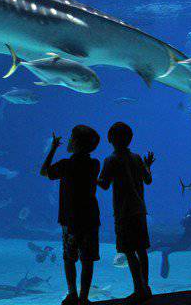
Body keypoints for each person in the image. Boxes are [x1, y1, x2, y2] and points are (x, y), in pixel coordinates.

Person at [40, 125, 101, 305]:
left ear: (75, 143)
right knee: (87, 259)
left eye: (71, 138)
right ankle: (84, 298)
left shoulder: (66, 165)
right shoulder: (94, 164)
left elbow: (44, 172)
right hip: (90, 219)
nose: (68, 140)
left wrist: (53, 149)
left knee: (69, 258)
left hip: (70, 220)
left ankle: (72, 294)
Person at [98, 122, 154, 304]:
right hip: (139, 210)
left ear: (110, 139)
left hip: (123, 212)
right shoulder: (137, 158)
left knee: (129, 251)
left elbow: (105, 185)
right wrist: (148, 166)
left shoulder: (110, 160)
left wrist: (91, 176)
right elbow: (148, 180)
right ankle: (146, 287)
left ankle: (139, 289)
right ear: (130, 139)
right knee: (142, 250)